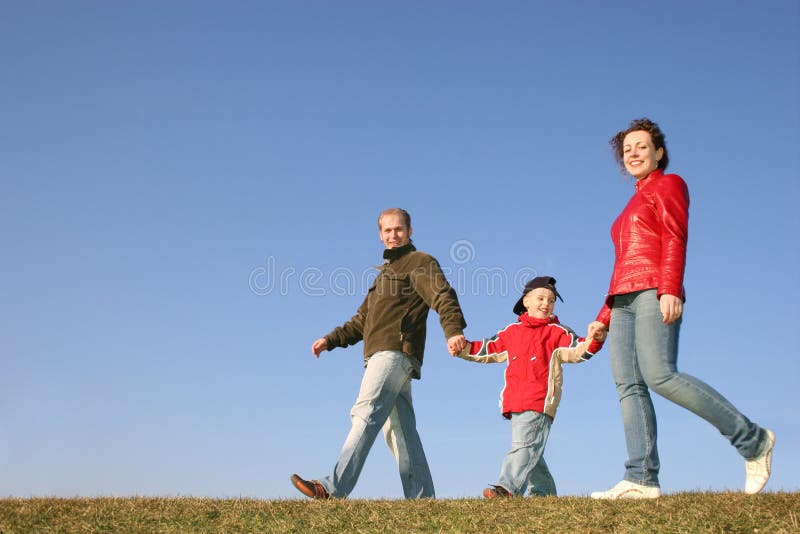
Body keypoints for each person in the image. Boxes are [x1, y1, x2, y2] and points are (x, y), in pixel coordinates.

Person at [587, 118, 775, 499]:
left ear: (658, 152)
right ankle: (640, 477)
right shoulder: (630, 204)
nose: (633, 153)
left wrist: (669, 288)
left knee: (659, 375)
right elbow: (622, 263)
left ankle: (753, 440)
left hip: (654, 290)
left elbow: (675, 235)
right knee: (629, 386)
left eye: (641, 146)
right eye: (627, 150)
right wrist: (603, 316)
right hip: (622, 301)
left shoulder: (669, 185)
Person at [290, 208, 468, 499]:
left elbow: (442, 295)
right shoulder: (383, 275)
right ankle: (422, 499)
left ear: (410, 231)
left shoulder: (419, 262)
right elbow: (361, 321)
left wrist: (453, 330)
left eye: (398, 229)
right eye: (387, 231)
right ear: (380, 235)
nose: (393, 235)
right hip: (379, 355)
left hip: (395, 352)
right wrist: (330, 340)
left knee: (366, 410)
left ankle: (332, 487)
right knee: (400, 433)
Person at [453, 276, 604, 498]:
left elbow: (579, 350)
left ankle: (507, 488)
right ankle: (544, 494)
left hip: (540, 400)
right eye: (541, 298)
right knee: (531, 448)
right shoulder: (512, 332)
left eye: (551, 301)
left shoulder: (557, 332)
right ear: (526, 301)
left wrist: (595, 339)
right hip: (514, 400)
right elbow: (488, 349)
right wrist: (462, 347)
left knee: (524, 447)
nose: (546, 304)